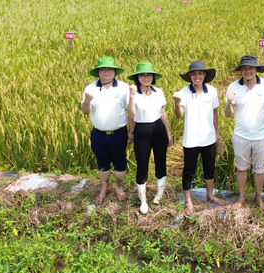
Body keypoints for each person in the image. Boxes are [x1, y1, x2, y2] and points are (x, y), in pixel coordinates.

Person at [172, 61, 227, 215]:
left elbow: (215, 113)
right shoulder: (183, 92)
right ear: (190, 76)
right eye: (194, 73)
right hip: (191, 139)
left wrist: (216, 133)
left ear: (204, 75)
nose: (197, 76)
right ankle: (188, 201)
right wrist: (177, 104)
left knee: (209, 168)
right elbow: (179, 115)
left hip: (209, 138)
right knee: (189, 170)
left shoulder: (212, 91)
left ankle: (210, 196)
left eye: (200, 73)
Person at [224, 55, 264, 212]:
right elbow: (228, 114)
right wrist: (228, 102)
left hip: (261, 136)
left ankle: (258, 196)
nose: (248, 71)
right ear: (240, 71)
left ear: (256, 69)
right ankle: (242, 196)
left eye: (251, 68)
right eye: (244, 68)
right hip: (240, 135)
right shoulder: (233, 87)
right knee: (241, 168)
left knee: (260, 168)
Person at [80, 57, 134, 205]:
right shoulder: (90, 88)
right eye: (103, 69)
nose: (106, 71)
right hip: (98, 134)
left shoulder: (124, 88)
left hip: (119, 133)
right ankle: (105, 187)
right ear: (98, 72)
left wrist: (132, 130)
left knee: (120, 162)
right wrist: (86, 100)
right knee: (102, 162)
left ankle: (119, 188)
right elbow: (85, 111)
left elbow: (130, 111)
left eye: (109, 69)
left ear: (114, 71)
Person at [128, 62, 173, 214]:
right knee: (142, 163)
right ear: (137, 77)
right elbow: (132, 115)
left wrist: (168, 133)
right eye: (142, 75)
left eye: (148, 75)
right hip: (142, 129)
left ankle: (158, 195)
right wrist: (131, 131)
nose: (145, 78)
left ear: (153, 77)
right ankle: (143, 201)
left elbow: (163, 113)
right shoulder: (133, 94)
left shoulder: (158, 92)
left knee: (161, 161)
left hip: (158, 128)